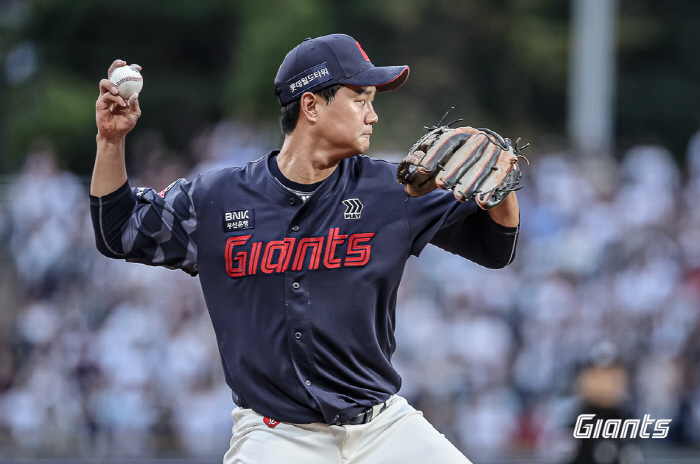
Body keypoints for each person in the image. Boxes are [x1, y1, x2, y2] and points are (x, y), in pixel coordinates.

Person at [90, 33, 521, 464]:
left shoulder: (394, 191)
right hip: (277, 438)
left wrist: (501, 186)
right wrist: (111, 142)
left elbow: (494, 248)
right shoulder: (215, 199)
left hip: (383, 429)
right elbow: (119, 232)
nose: (372, 115)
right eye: (360, 98)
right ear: (311, 105)